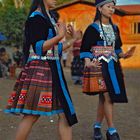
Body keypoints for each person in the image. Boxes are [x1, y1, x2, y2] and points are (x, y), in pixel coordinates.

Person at [4, 0, 78, 140]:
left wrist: (73, 39)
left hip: (54, 70)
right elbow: (39, 48)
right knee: (32, 114)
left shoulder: (49, 17)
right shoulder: (36, 18)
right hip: (41, 69)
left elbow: (54, 50)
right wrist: (60, 36)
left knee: (65, 114)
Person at [80, 0, 136, 140]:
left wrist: (125, 55)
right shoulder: (92, 28)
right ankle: (112, 130)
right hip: (98, 66)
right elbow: (85, 48)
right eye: (108, 7)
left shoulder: (115, 28)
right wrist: (88, 62)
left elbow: (117, 49)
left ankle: (97, 127)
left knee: (104, 98)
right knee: (108, 97)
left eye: (113, 7)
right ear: (99, 8)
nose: (112, 9)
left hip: (113, 66)